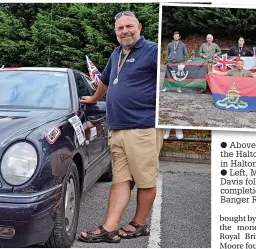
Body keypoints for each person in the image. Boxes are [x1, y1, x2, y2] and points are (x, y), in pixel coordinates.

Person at [77, 10, 163, 243]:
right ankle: (109, 227)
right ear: (116, 33)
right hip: (118, 128)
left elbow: (172, 79)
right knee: (121, 180)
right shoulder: (116, 53)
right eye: (120, 28)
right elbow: (105, 80)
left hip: (143, 127)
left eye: (129, 26)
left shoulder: (153, 51)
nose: (125, 31)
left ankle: (140, 224)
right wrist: (94, 99)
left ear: (139, 27)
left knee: (145, 180)